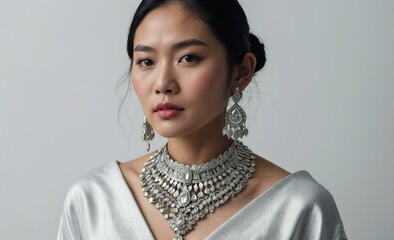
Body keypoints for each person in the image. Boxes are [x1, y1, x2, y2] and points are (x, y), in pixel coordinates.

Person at [57, 0, 347, 239]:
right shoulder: (93, 200)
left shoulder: (299, 208)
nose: (163, 83)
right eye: (147, 61)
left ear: (241, 72)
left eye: (188, 58)